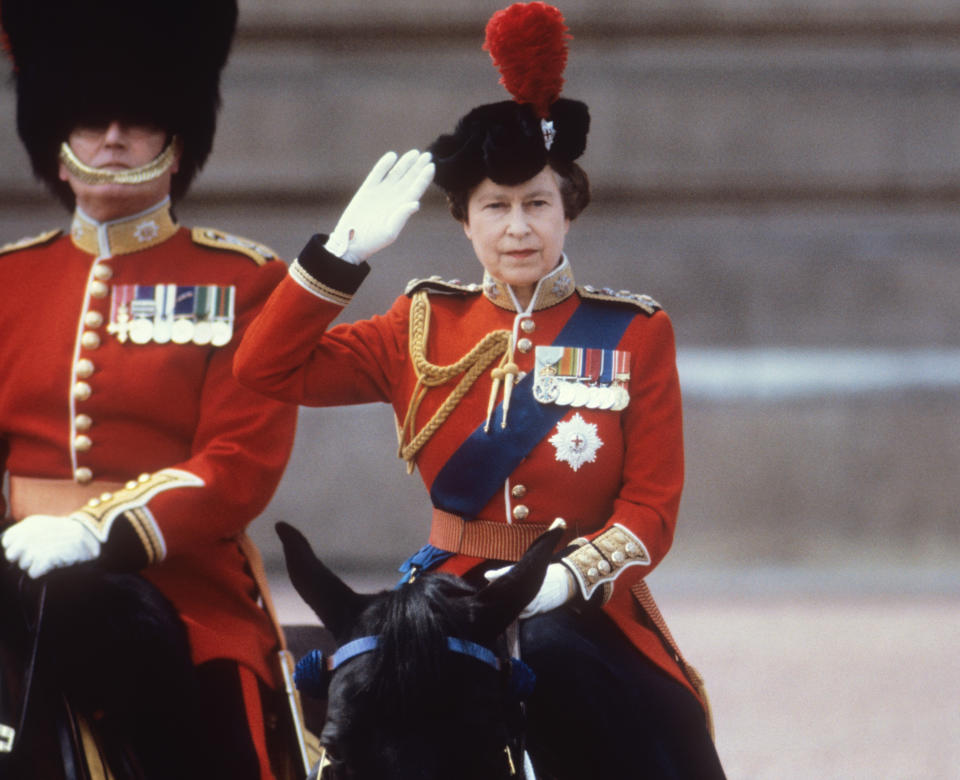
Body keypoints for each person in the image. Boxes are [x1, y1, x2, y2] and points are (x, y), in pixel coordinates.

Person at [235, 3, 725, 778]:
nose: (518, 228)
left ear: (569, 211)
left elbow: (652, 509)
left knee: (665, 730)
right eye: (495, 207)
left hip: (586, 602)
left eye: (537, 203)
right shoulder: (422, 321)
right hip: (447, 594)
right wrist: (339, 257)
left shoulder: (634, 332)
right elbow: (263, 370)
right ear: (465, 223)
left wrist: (568, 577)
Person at [0, 1, 302, 778]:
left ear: (175, 146)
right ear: (58, 150)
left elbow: (237, 466)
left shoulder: (243, 281)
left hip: (174, 578)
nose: (110, 138)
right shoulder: (9, 279)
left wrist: (103, 533)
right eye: (89, 120)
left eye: (136, 121)